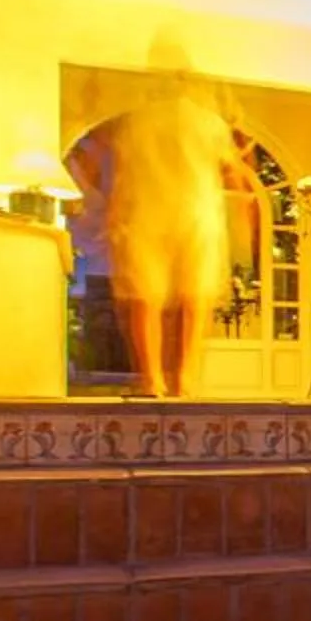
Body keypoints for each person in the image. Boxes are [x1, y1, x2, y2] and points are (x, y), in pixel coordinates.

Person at [66, 78, 260, 397]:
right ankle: (181, 378)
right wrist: (245, 218)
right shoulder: (206, 122)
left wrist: (106, 206)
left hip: (151, 213)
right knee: (191, 297)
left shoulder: (139, 121)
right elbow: (234, 171)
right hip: (190, 213)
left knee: (149, 297)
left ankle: (154, 378)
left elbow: (111, 168)